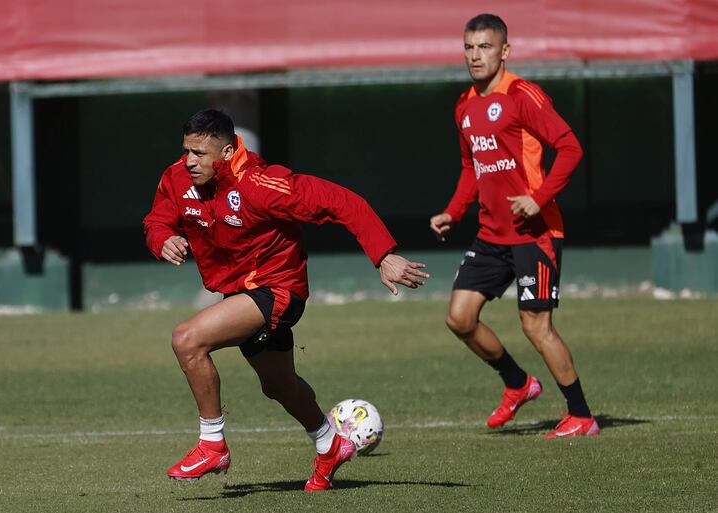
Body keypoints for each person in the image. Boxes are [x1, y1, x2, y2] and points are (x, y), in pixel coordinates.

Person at [143, 109, 429, 491]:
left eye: (199, 153)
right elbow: (157, 220)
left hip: (278, 290)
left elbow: (344, 202)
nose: (190, 162)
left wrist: (384, 254)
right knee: (279, 386)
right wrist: (162, 239)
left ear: (227, 152)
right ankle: (330, 445)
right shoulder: (177, 177)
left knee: (187, 340)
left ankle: (212, 443)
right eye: (186, 151)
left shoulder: (262, 184)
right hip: (240, 293)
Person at [429, 13, 599, 438]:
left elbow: (570, 147)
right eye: (469, 47)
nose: (475, 55)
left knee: (535, 324)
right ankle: (518, 383)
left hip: (535, 233)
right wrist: (453, 210)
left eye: (484, 47)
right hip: (491, 234)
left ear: (505, 51)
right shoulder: (464, 105)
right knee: (459, 318)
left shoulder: (523, 95)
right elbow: (472, 167)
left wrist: (537, 199)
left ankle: (581, 415)